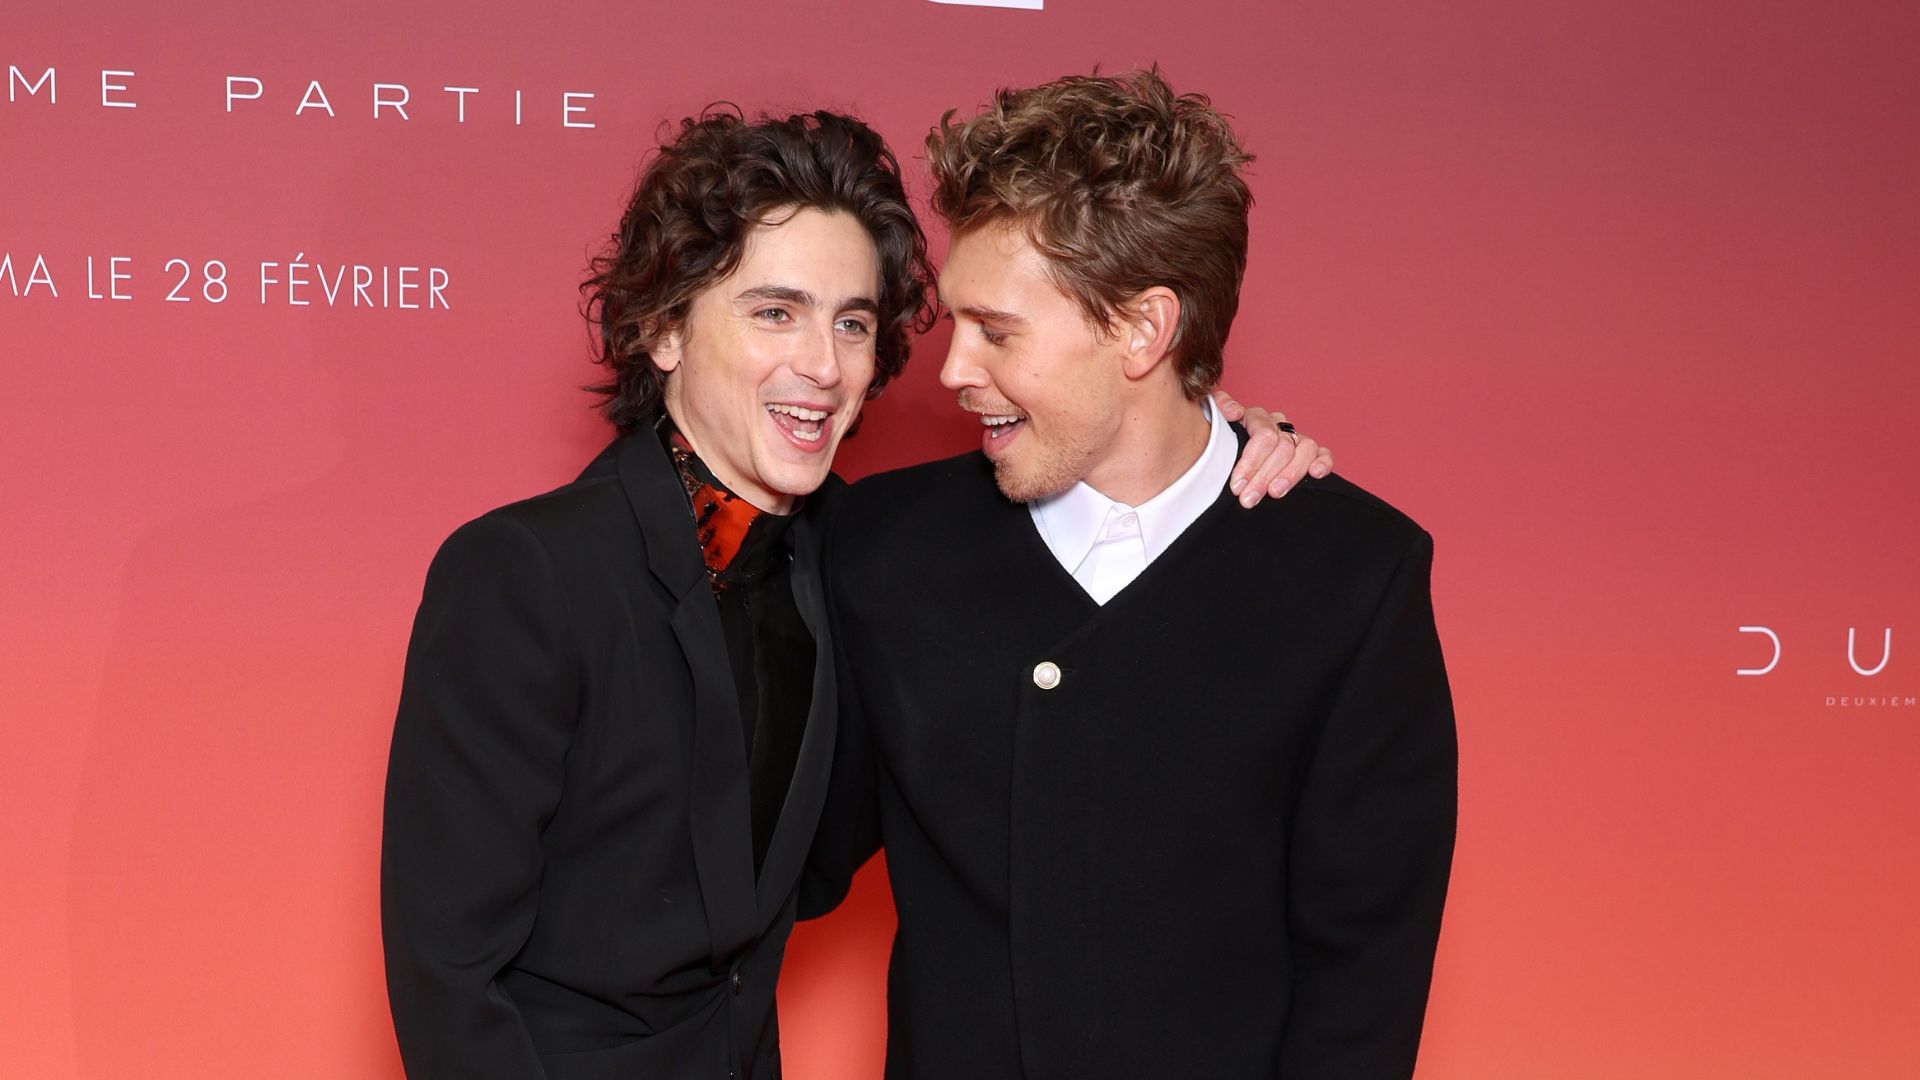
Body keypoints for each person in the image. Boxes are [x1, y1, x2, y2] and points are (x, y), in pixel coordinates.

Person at [381, 105, 1322, 1078]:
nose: (824, 366)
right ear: (662, 328)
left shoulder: (869, 552)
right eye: (775, 312)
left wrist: (1216, 439)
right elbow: (449, 974)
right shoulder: (525, 574)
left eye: (854, 323)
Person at [803, 70, 1457, 1078]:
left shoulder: (1353, 577)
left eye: (999, 331)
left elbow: (1361, 984)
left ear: (1145, 330)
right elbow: (776, 858)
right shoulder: (882, 547)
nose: (952, 370)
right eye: (956, 324)